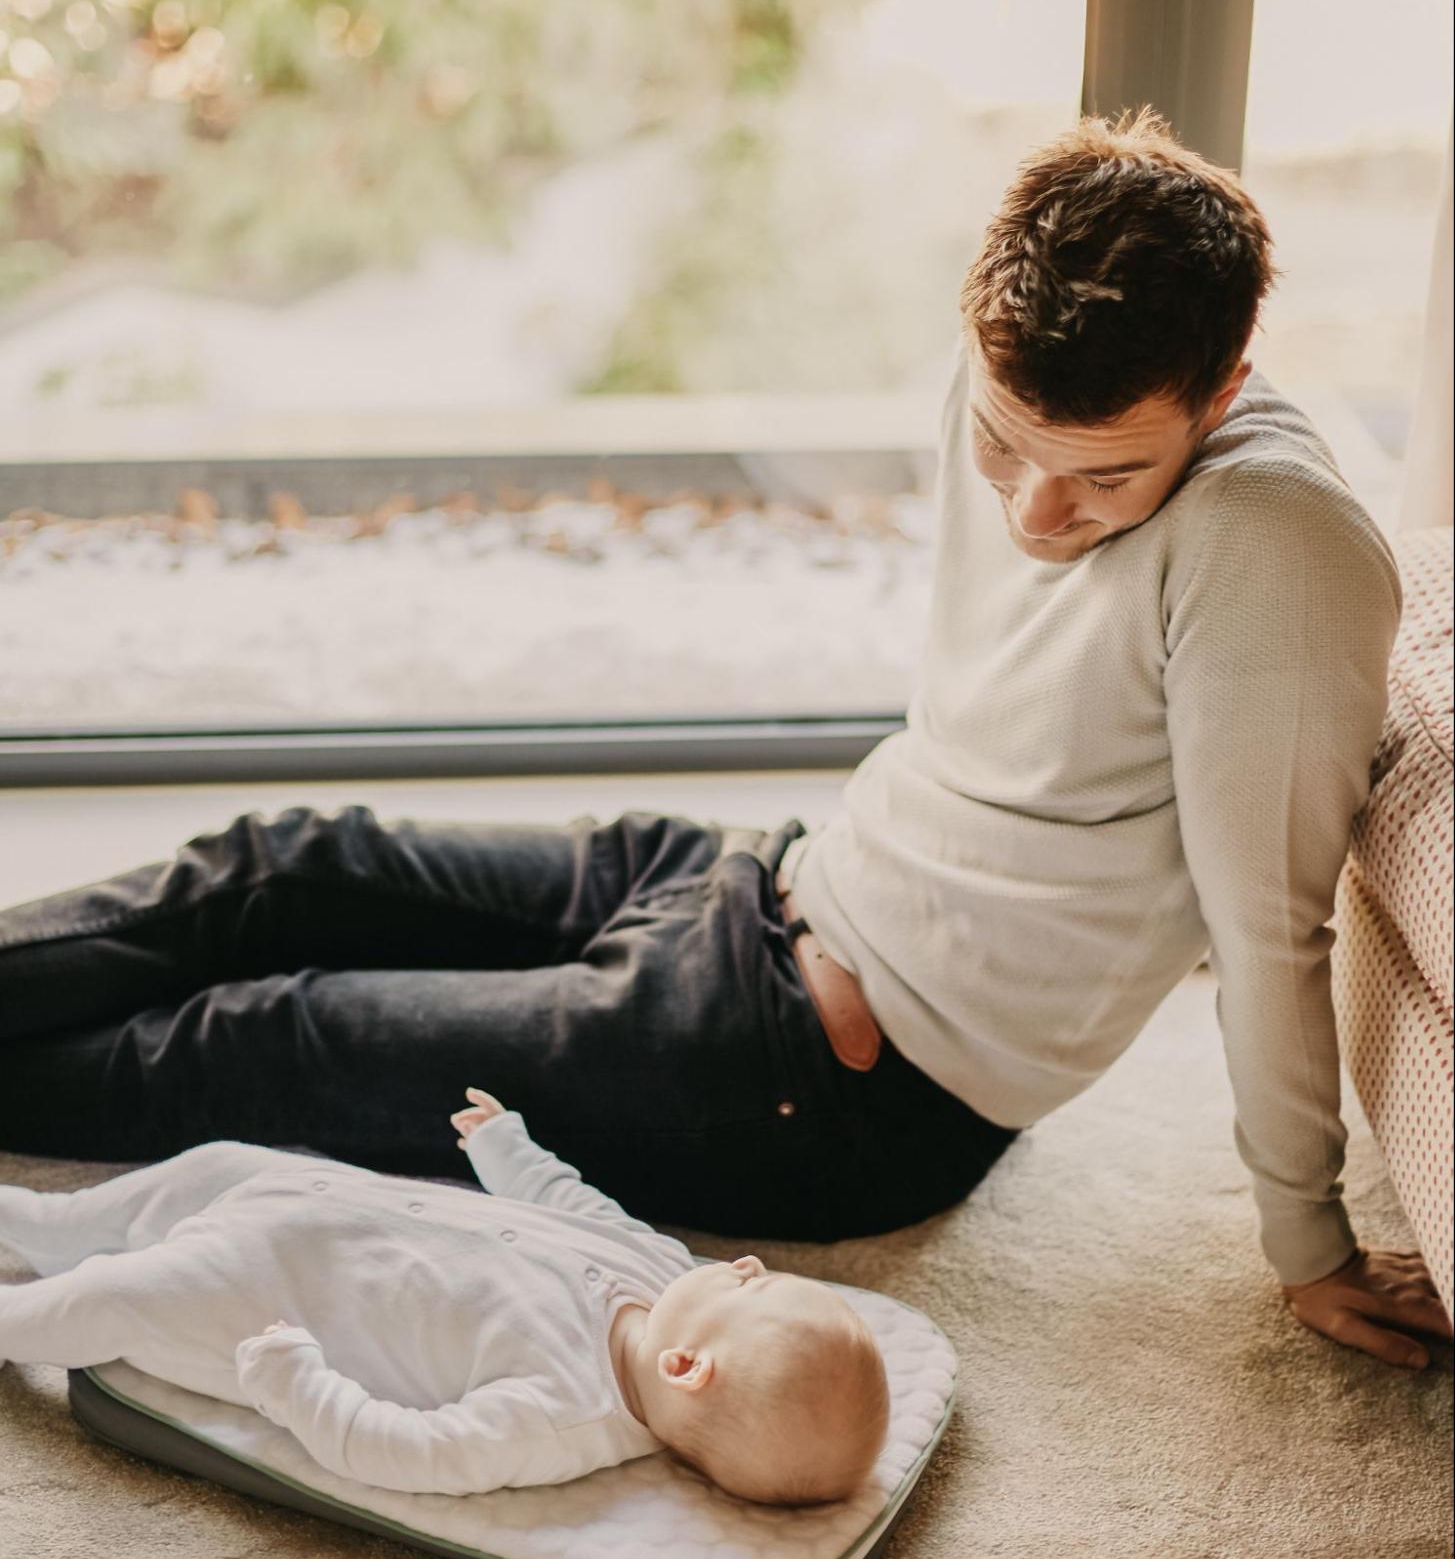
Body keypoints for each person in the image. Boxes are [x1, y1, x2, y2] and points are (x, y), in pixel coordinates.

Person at [1, 109, 1449, 1372]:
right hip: (749, 875)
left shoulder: (1273, 552)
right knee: (285, 861)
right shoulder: (1011, 366)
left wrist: (1303, 1238)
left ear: (1225, 379)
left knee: (276, 1034)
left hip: (817, 1078)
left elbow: (1269, 928)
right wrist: (1045, 456)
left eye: (1106, 478)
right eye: (1004, 447)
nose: (1033, 515)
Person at [0, 1086, 889, 1507]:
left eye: (750, 1286)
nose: (744, 1265)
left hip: (261, 1295)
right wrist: (512, 1153)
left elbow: (408, 1450)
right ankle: (41, 1220)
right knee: (206, 1166)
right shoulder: (657, 1271)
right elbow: (578, 1207)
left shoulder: (556, 1418)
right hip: (309, 1199)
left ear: (686, 1366)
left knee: (107, 1301)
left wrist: (299, 1383)